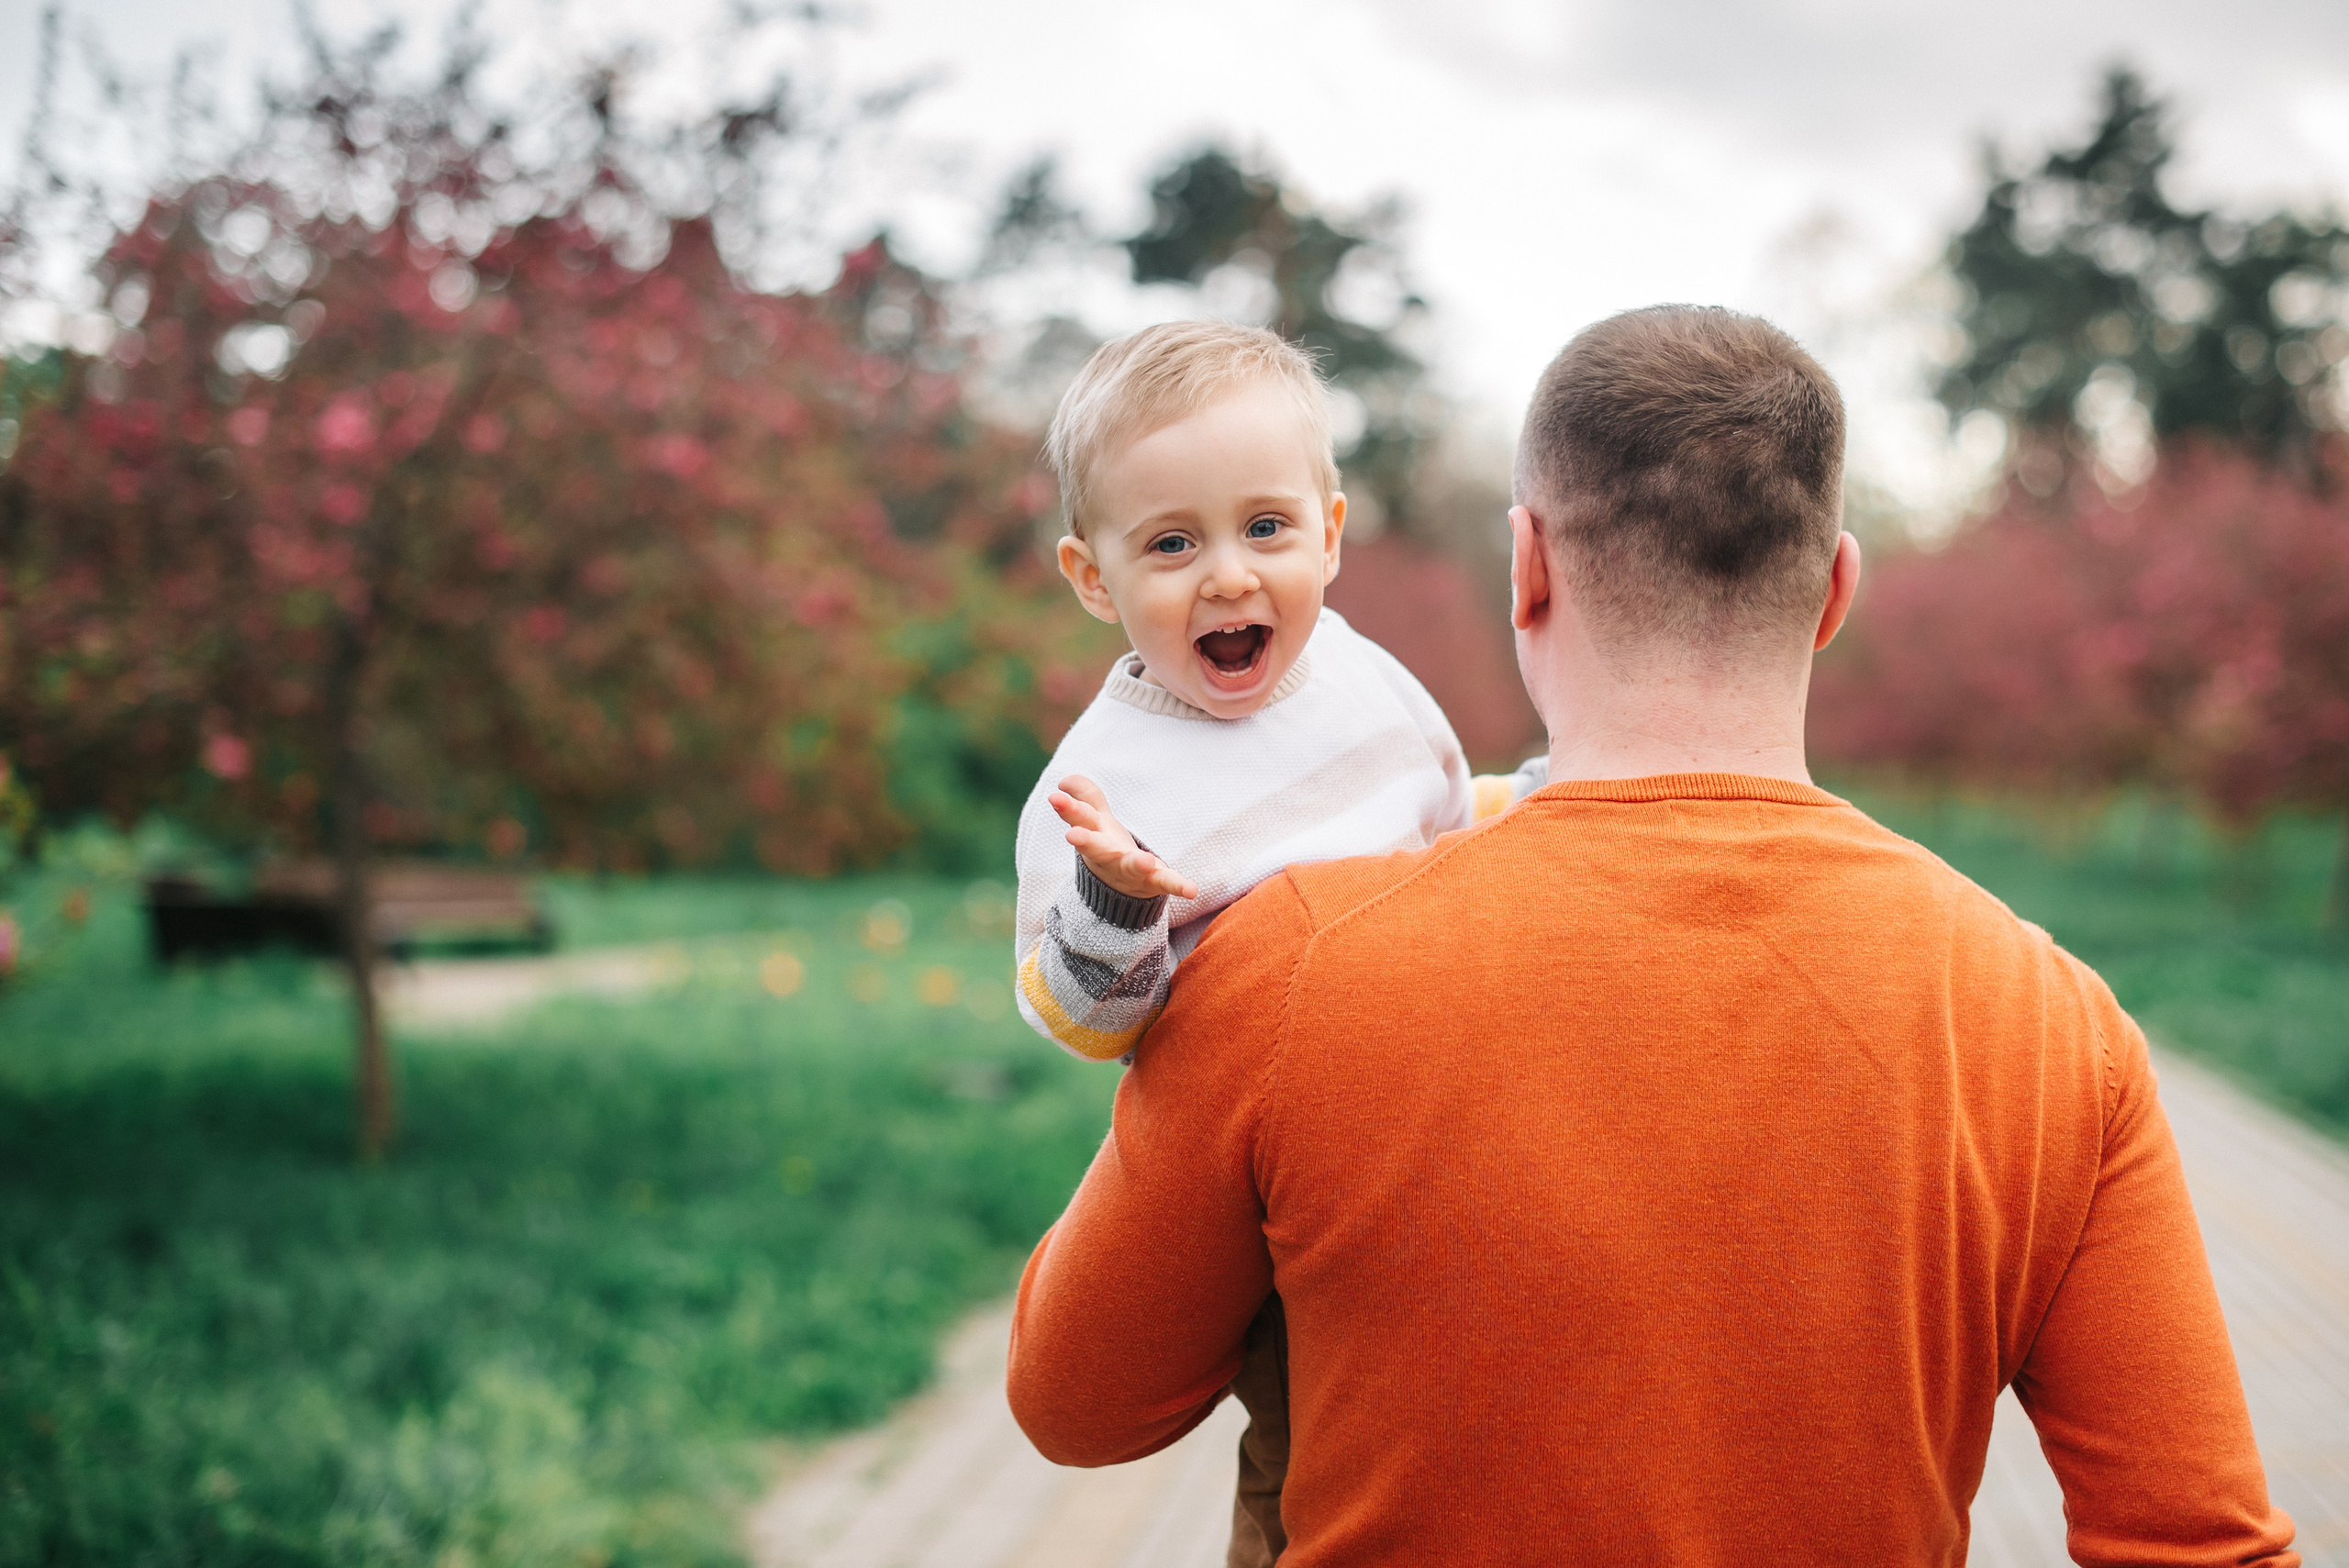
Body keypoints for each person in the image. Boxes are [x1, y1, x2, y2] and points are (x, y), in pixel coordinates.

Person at [1007, 306, 2298, 1566]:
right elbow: (2198, 1538)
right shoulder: (2056, 1024)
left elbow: (1075, 1404)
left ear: (1528, 568)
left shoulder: (1278, 967)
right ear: (1836, 589)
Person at [1011, 318, 1543, 1564]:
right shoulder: (1099, 791)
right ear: (1095, 578)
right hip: (1279, 1188)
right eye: (1173, 543)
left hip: (1449, 1125)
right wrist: (1121, 905)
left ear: (1331, 534)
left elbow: (1443, 826)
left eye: (1265, 528)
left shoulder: (1359, 675)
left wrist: (1559, 801)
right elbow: (1077, 1015)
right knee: (1316, 1452)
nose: (1231, 577)